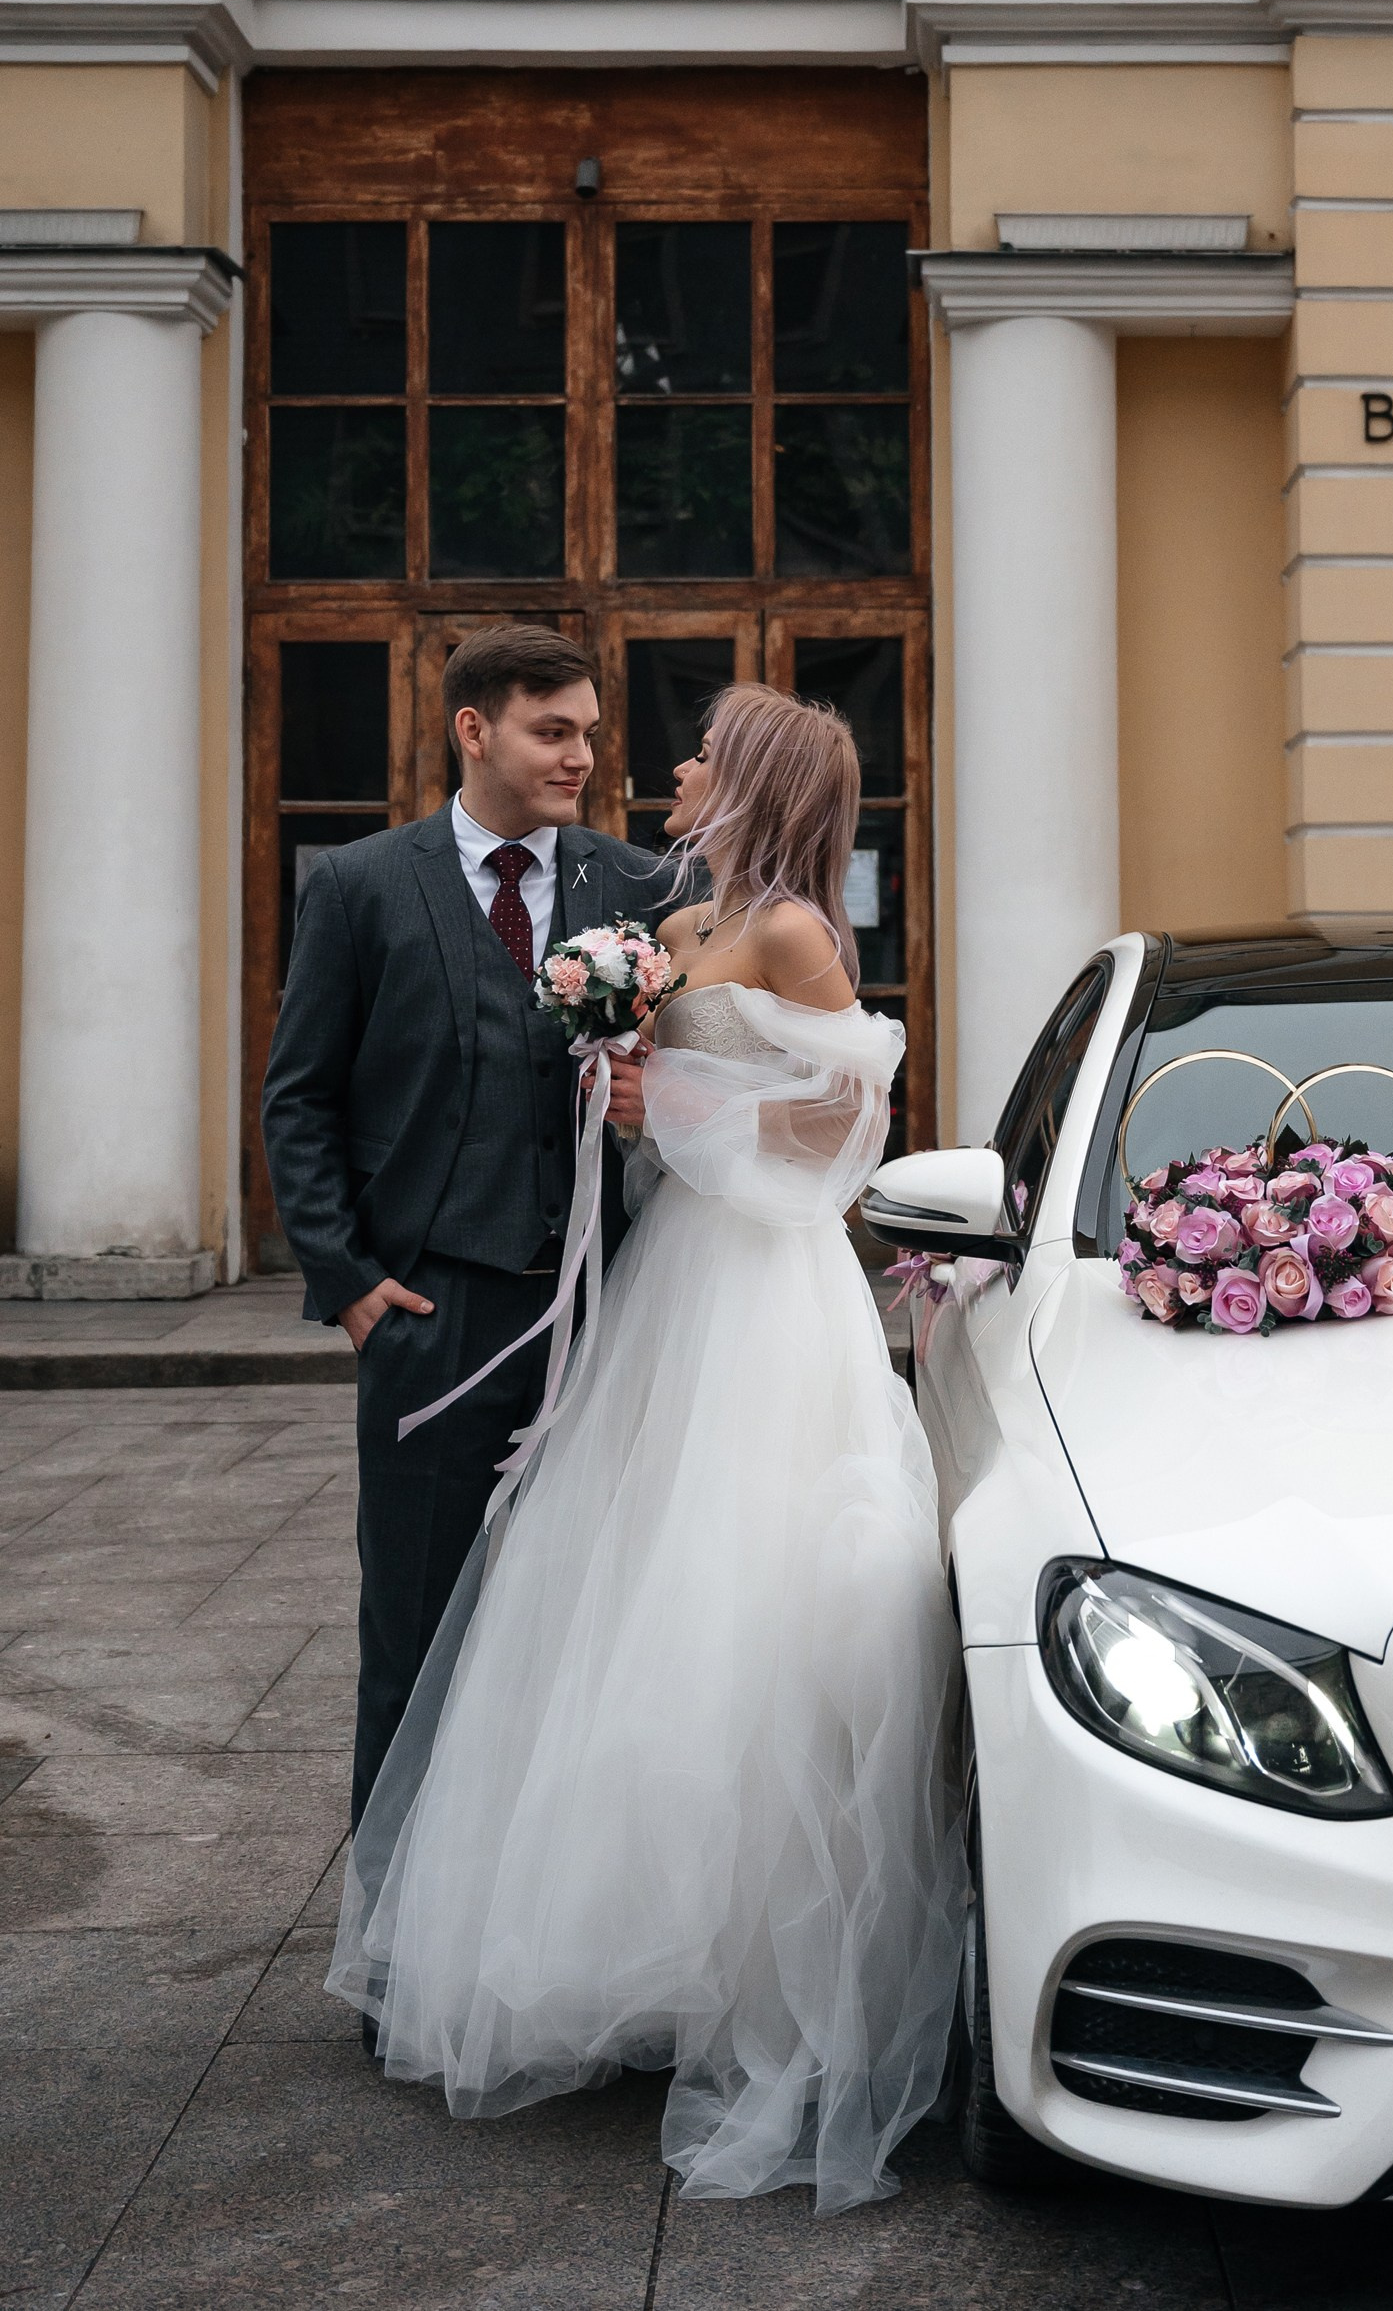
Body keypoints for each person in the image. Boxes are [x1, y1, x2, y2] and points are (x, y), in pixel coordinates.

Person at [327, 682, 964, 2215]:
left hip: (759, 1287)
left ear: (749, 778)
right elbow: (656, 1104)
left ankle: (741, 1960)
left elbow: (842, 1135)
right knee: (611, 1593)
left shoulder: (794, 932)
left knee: (726, 1591)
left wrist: (669, 1090)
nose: (669, 764)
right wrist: (625, 1091)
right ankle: (619, 1942)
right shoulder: (680, 920)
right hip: (667, 1273)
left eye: (700, 749)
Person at [262, 624, 646, 1830]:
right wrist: (351, 1284)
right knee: (416, 1634)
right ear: (473, 730)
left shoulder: (640, 887)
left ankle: (542, 1905)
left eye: (588, 732)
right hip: (432, 1314)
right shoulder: (362, 885)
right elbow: (300, 1098)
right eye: (551, 731)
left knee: (588, 1631)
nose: (579, 756)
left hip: (608, 1314)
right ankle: (394, 1922)